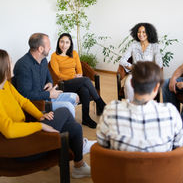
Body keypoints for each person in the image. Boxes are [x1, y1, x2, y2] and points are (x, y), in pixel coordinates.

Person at [0, 49, 93, 179]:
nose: (12, 63)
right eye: (10, 61)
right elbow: (9, 130)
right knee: (65, 111)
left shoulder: (6, 86)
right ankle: (79, 151)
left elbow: (24, 102)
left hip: (26, 132)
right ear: (3, 67)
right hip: (20, 147)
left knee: (74, 127)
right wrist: (40, 125)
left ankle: (79, 165)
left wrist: (40, 115)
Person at [97, 61, 183, 152]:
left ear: (131, 83)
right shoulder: (171, 113)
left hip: (121, 166)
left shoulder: (111, 111)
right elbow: (178, 146)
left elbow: (102, 144)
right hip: (160, 165)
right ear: (156, 87)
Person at [13, 33, 78, 118]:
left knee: (74, 97)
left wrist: (50, 82)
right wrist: (48, 95)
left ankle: (62, 120)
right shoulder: (23, 65)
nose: (50, 48)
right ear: (40, 49)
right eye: (48, 46)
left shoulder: (43, 60)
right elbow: (25, 94)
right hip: (36, 104)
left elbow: (48, 75)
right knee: (68, 106)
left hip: (45, 96)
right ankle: (60, 125)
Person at [50, 33, 106, 128]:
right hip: (64, 84)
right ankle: (101, 104)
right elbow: (57, 75)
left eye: (67, 42)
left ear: (70, 44)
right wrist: (73, 77)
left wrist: (78, 76)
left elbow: (79, 69)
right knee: (86, 80)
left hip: (76, 81)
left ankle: (86, 118)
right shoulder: (54, 56)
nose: (64, 45)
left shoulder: (74, 54)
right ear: (58, 42)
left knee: (85, 90)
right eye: (62, 42)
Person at [119, 22, 163, 101]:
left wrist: (150, 70)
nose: (141, 34)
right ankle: (131, 106)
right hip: (135, 73)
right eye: (139, 32)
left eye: (143, 32)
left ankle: (144, 108)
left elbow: (159, 63)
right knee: (128, 84)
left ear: (149, 33)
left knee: (146, 86)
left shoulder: (155, 46)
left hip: (149, 74)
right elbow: (122, 60)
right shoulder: (133, 45)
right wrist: (132, 67)